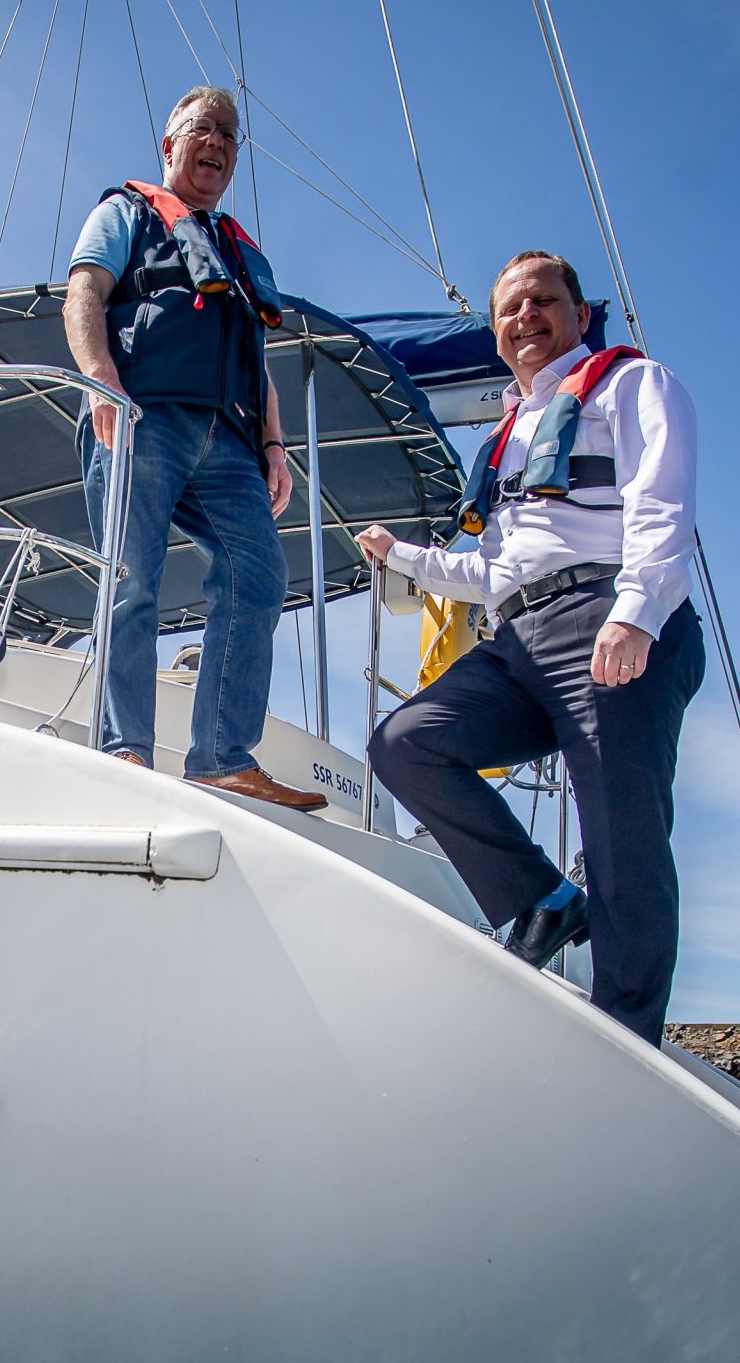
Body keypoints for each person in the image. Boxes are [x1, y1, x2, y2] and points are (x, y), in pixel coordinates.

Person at [359, 252, 704, 1043]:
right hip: (521, 633)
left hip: (606, 611)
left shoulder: (631, 384)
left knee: (622, 839)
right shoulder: (509, 437)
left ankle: (627, 1040)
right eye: (510, 308)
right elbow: (497, 569)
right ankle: (541, 900)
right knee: (408, 742)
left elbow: (662, 497)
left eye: (544, 300)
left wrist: (637, 612)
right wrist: (402, 553)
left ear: (581, 315)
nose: (527, 317)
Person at [63, 87, 325, 810]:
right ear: (169, 146)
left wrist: (274, 443)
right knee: (131, 578)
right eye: (203, 129)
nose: (217, 142)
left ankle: (219, 756)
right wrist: (100, 380)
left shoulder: (239, 255)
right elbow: (83, 293)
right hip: (143, 415)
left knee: (259, 575)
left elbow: (254, 353)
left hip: (231, 439)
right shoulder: (127, 214)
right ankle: (125, 747)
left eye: (230, 135)